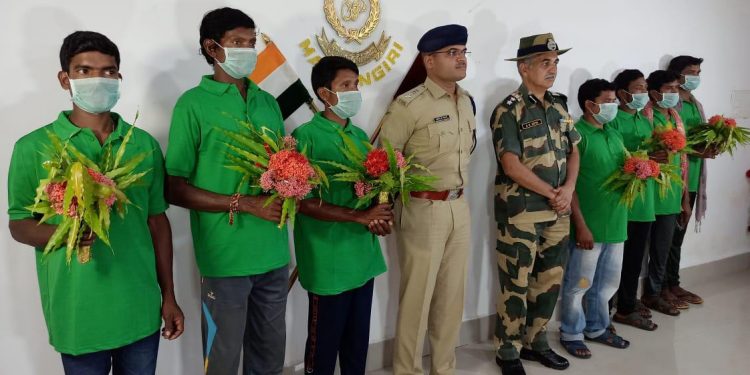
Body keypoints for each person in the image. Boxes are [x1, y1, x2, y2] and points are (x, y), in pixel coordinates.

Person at [7, 31, 183, 374]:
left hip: (140, 308)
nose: (98, 80)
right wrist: (64, 233)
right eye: (85, 71)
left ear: (119, 78)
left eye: (108, 71)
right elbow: (18, 223)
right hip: (78, 314)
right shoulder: (34, 147)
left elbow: (157, 221)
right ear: (65, 79)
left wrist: (169, 297)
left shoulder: (142, 145)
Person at [165, 8, 288, 374]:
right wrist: (243, 203)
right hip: (225, 258)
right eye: (237, 43)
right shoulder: (193, 104)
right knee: (221, 357)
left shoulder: (267, 102)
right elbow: (175, 188)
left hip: (275, 250)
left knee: (269, 354)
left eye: (252, 43)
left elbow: (281, 166)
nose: (248, 51)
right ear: (212, 47)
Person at [379, 24, 475, 375]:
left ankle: (444, 368)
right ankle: (407, 370)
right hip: (422, 209)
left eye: (463, 51)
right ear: (429, 61)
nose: (461, 58)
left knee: (452, 298)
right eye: (452, 53)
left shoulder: (466, 101)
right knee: (417, 298)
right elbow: (385, 163)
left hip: (459, 207)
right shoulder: (409, 106)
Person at [292, 55, 391, 375]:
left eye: (357, 84)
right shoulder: (306, 137)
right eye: (346, 85)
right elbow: (302, 202)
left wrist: (378, 217)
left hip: (362, 257)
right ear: (325, 93)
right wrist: (359, 217)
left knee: (356, 345)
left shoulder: (361, 137)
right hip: (328, 261)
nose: (355, 91)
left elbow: (375, 191)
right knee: (323, 347)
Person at [491, 33, 579, 375]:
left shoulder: (560, 104)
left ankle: (537, 341)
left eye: (555, 62)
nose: (552, 68)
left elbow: (574, 151)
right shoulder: (508, 110)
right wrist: (551, 192)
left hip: (558, 210)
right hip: (521, 212)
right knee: (516, 283)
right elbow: (511, 165)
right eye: (545, 62)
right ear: (524, 68)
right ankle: (508, 350)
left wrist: (568, 189)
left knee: (549, 281)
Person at [559, 79, 629, 359]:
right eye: (608, 101)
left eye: (615, 101)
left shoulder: (613, 131)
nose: (614, 106)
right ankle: (571, 332)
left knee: (607, 284)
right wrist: (581, 225)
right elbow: (570, 184)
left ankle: (598, 327)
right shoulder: (578, 134)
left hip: (616, 223)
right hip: (588, 225)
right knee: (579, 284)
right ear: (590, 104)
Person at [609, 69, 659, 331]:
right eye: (638, 88)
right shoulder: (614, 119)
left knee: (635, 257)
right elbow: (616, 159)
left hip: (644, 199)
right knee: (616, 258)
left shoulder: (645, 119)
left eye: (645, 87)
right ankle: (613, 307)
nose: (643, 93)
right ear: (622, 93)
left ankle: (628, 303)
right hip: (622, 199)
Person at [639, 70, 691, 317]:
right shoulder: (644, 117)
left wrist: (685, 197)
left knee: (662, 249)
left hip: (671, 195)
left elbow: (683, 159)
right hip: (649, 193)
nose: (674, 93)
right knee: (636, 251)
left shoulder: (676, 118)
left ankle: (655, 293)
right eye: (669, 89)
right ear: (654, 92)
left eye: (676, 88)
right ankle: (629, 299)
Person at [665, 55, 713, 306]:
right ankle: (662, 287)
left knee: (677, 238)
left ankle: (673, 283)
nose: (695, 77)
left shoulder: (695, 103)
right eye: (690, 72)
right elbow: (671, 143)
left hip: (692, 180)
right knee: (666, 239)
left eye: (698, 72)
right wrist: (698, 151)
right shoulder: (672, 107)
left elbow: (694, 139)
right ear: (677, 74)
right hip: (674, 180)